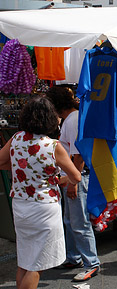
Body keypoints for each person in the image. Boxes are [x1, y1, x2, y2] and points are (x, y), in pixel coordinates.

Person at [0, 96, 81, 289]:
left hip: (20, 205)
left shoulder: (16, 138)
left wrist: (21, 170)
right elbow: (76, 177)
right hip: (44, 208)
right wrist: (56, 179)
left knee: (26, 260)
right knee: (38, 264)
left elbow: (1, 161)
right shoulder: (53, 146)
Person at [46, 86, 101, 282]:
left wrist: (72, 181)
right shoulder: (73, 119)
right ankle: (74, 257)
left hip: (76, 177)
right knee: (72, 221)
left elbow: (79, 155)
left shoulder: (72, 121)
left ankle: (91, 263)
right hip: (73, 176)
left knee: (79, 223)